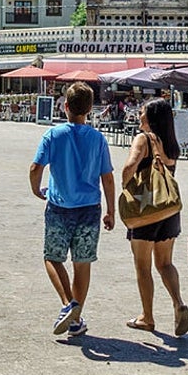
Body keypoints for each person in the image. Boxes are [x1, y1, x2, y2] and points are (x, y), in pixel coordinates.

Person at [29, 82, 116, 339]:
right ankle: (75, 318)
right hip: (90, 208)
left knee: (52, 257)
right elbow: (108, 177)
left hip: (59, 206)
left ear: (65, 107)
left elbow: (36, 168)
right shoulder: (98, 139)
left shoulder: (53, 135)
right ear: (89, 110)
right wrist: (111, 211)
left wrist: (36, 190)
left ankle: (69, 304)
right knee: (82, 263)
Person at [122, 98, 188, 336]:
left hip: (145, 210)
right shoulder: (170, 144)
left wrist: (124, 183)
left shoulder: (144, 139)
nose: (139, 116)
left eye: (142, 113)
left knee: (143, 266)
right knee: (165, 263)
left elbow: (130, 166)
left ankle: (147, 317)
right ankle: (178, 302)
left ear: (150, 118)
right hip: (168, 210)